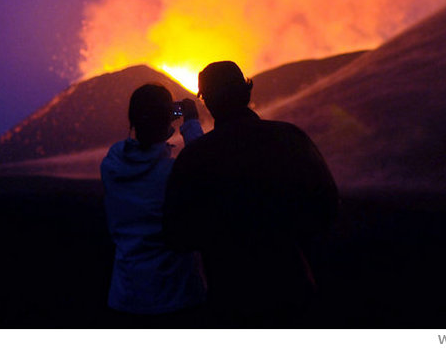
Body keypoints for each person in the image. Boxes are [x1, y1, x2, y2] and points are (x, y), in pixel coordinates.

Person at [163, 61, 338, 327]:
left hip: (231, 299)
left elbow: (177, 235)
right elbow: (327, 207)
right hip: (293, 289)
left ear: (207, 101)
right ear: (246, 92)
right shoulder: (291, 139)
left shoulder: (195, 158)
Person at [101, 83, 206, 327]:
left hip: (126, 296)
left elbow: (128, 149)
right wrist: (189, 123)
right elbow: (204, 164)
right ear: (168, 119)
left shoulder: (111, 167)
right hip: (176, 296)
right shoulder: (174, 173)